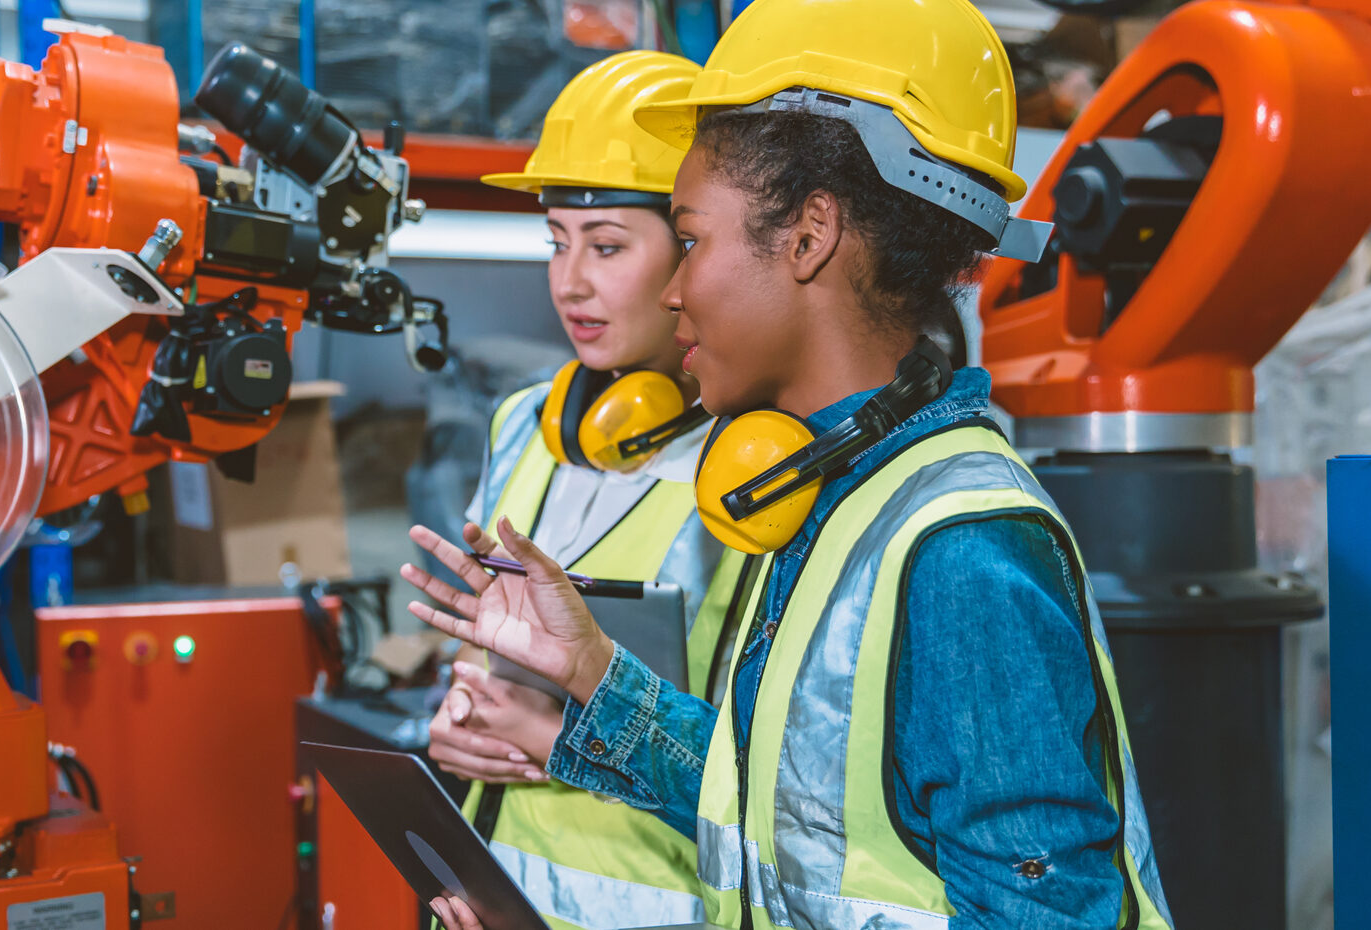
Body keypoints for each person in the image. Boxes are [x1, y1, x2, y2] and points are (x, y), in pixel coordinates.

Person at [401, 0, 1176, 928]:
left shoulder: (960, 551)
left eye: (688, 240)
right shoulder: (829, 498)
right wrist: (596, 673)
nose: (676, 288)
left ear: (810, 235)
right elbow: (777, 817)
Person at [419, 49, 753, 930]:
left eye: (606, 245)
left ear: (691, 251)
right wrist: (455, 712)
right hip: (493, 898)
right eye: (556, 243)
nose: (570, 283)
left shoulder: (759, 466)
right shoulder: (526, 424)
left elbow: (776, 780)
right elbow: (486, 653)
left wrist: (569, 738)